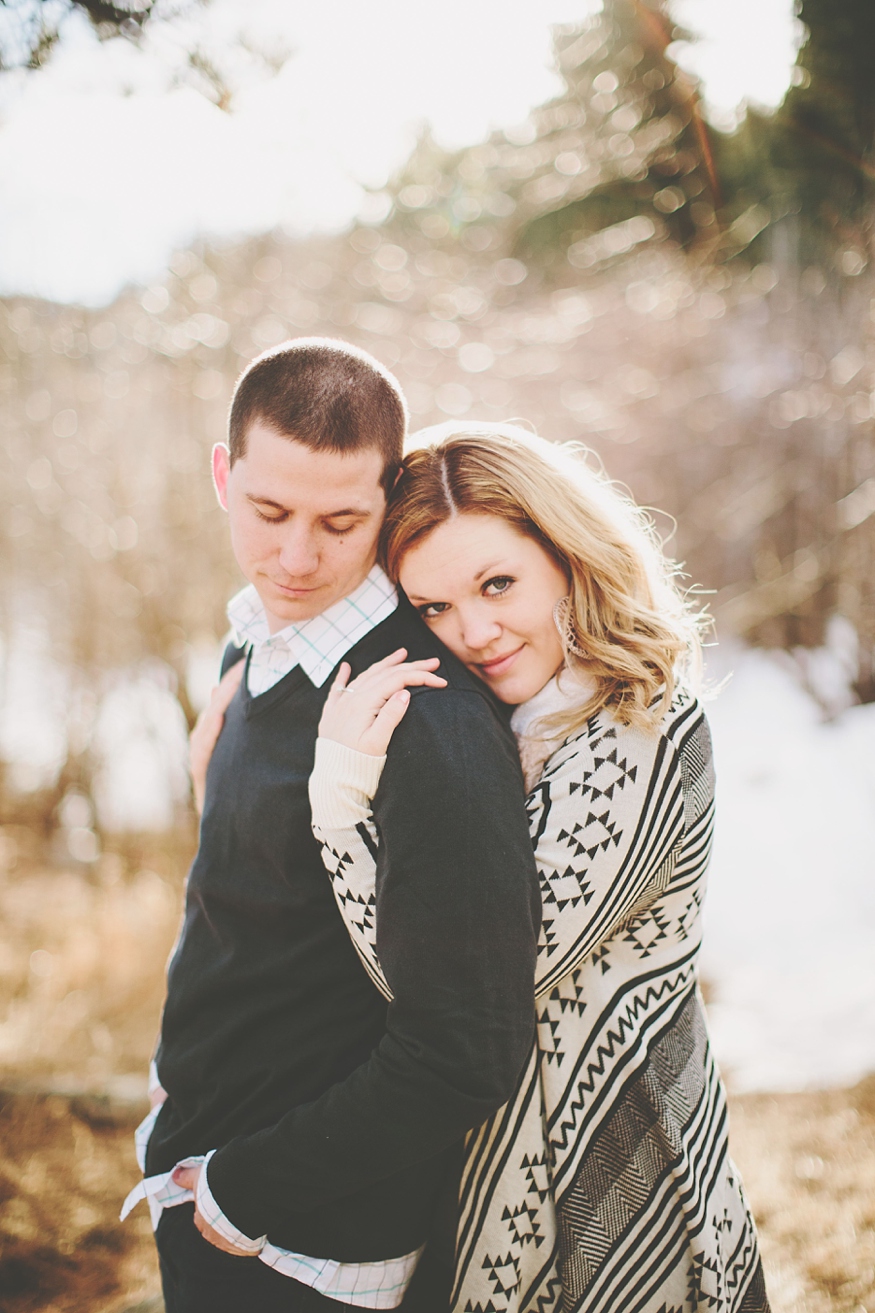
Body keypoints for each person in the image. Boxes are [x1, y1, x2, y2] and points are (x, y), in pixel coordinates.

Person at [298, 422, 771, 1312]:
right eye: (432, 608)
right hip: (495, 1166)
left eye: (497, 583)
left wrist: (338, 809)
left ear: (568, 554)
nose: (472, 630)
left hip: (624, 1168)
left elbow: (463, 983)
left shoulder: (646, 723)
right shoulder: (490, 730)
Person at [121, 342, 541, 1313]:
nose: (296, 556)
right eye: (268, 513)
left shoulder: (423, 720)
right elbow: (252, 905)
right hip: (200, 1171)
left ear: (387, 501)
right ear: (223, 476)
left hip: (300, 1246)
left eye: (340, 521)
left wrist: (238, 1192)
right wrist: (174, 1077)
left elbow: (464, 1046)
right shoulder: (253, 640)